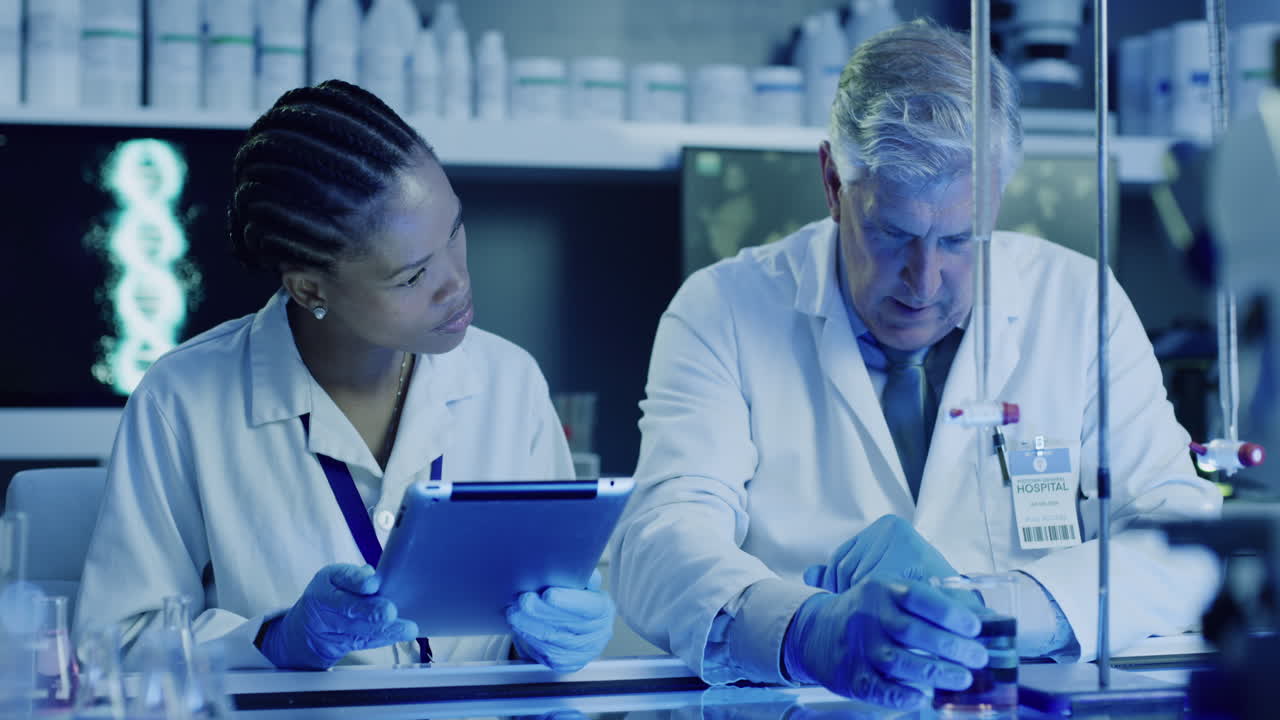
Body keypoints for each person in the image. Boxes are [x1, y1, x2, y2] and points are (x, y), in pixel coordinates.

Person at [610, 20, 1222, 710]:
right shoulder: (722, 307)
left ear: (998, 197)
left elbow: (1185, 534)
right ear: (833, 182)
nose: (924, 281)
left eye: (959, 238)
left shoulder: (1078, 303)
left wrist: (988, 612)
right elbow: (659, 543)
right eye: (893, 233)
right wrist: (809, 630)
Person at [75, 80, 613, 673]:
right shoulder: (182, 401)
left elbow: (546, 606)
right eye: (412, 276)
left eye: (455, 230)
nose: (456, 282)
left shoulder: (510, 382)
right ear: (310, 288)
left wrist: (556, 634)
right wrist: (275, 641)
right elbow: (116, 644)